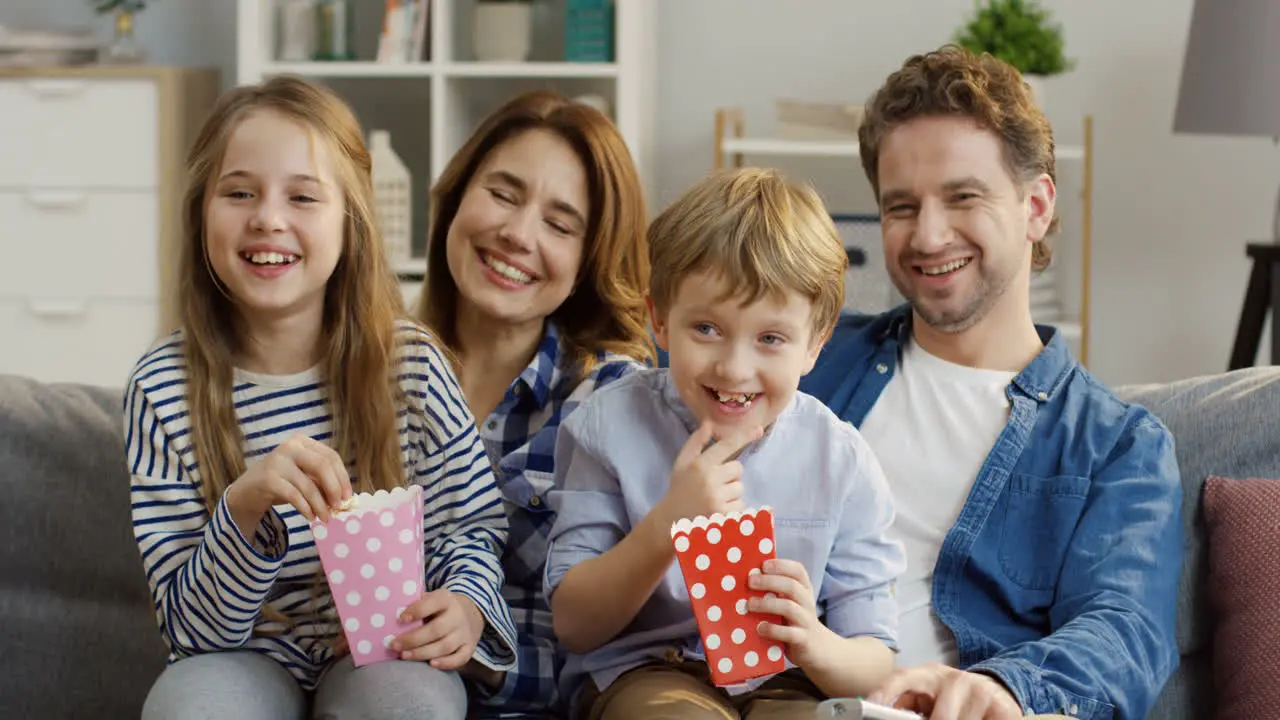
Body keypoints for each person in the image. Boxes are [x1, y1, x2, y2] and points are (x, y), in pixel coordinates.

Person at [797, 46, 1182, 720]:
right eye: (901, 207)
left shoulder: (1117, 447)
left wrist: (1006, 686)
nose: (928, 235)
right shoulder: (809, 357)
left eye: (962, 197)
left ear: (1035, 205)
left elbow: (1123, 631)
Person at [125, 75, 517, 720]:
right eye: (239, 192)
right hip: (239, 656)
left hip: (386, 646)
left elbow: (471, 528)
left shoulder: (411, 365)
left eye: (303, 196)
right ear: (202, 211)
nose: (268, 217)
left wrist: (467, 604)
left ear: (350, 223)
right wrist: (244, 508)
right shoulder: (162, 387)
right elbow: (192, 633)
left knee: (409, 708)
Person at [544, 167, 907, 720]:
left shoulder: (841, 459)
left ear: (814, 345)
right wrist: (668, 524)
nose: (736, 368)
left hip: (786, 681)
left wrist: (813, 641)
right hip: (645, 671)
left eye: (770, 339)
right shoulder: (608, 427)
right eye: (707, 329)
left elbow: (874, 656)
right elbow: (574, 624)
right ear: (660, 322)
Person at [415, 90, 655, 718]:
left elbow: (617, 656)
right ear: (458, 197)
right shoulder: (370, 369)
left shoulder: (611, 402)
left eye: (559, 223)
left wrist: (482, 655)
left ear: (588, 260)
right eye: (502, 193)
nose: (517, 235)